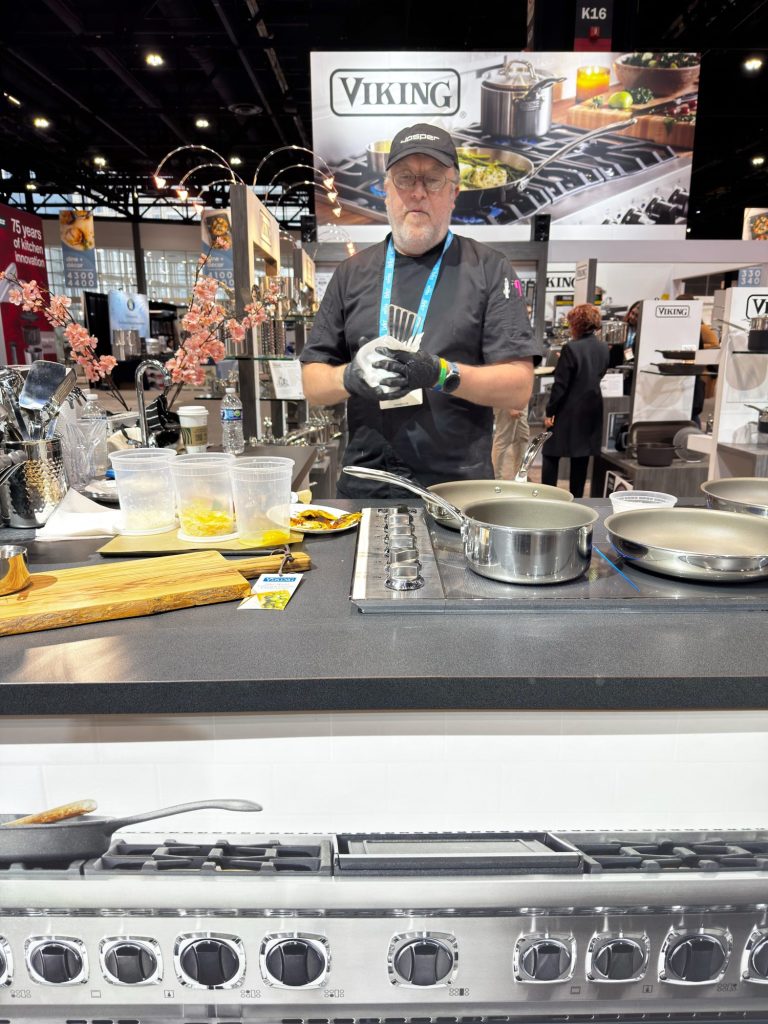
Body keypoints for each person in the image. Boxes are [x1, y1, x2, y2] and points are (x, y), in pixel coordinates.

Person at [300, 122, 542, 498]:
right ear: (385, 191)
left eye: (433, 180)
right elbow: (312, 383)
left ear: (454, 192)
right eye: (404, 178)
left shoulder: (489, 268)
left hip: (458, 492)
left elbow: (519, 387)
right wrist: (349, 378)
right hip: (367, 487)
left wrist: (443, 373)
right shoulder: (351, 274)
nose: (417, 192)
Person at [541, 303, 609, 498]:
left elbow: (560, 385)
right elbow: (600, 373)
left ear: (576, 324)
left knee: (551, 454)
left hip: (568, 409)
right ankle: (577, 501)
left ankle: (548, 498)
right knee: (581, 458)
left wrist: (550, 412)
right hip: (593, 407)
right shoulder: (603, 347)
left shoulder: (571, 348)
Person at [676, 292, 720, 426]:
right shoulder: (683, 326)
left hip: (698, 370)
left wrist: (693, 348)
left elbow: (714, 345)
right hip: (687, 368)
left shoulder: (701, 327)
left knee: (692, 409)